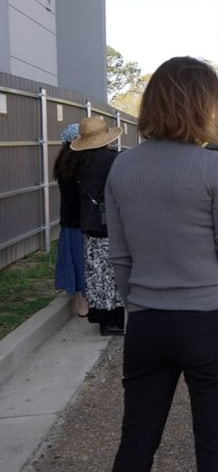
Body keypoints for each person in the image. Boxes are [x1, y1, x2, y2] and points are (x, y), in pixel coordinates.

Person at [104, 56, 218, 472]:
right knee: (215, 451)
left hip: (147, 324)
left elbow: (120, 257)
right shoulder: (213, 166)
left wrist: (143, 306)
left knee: (136, 445)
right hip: (209, 323)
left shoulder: (122, 167)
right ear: (201, 105)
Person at [70, 116, 125, 336]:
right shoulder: (115, 159)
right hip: (112, 221)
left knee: (96, 272)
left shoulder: (77, 162)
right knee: (114, 273)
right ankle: (116, 320)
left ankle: (102, 319)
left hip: (89, 222)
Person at [53, 123, 88, 318]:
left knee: (74, 262)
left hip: (69, 221)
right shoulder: (81, 165)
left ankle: (80, 302)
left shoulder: (63, 163)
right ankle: (84, 303)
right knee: (83, 262)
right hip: (82, 222)